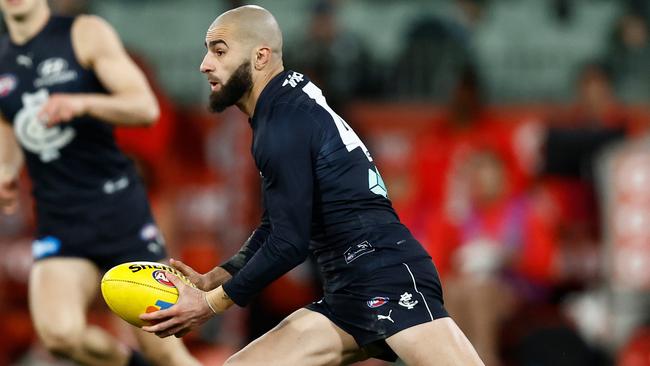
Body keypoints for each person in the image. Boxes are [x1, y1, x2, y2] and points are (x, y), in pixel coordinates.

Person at [141, 5, 484, 365]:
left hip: (385, 276)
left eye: (220, 50)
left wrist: (210, 305)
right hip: (347, 288)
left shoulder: (282, 123)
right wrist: (218, 276)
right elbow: (276, 224)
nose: (205, 64)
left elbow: (289, 243)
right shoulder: (284, 105)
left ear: (260, 56)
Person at [0, 0, 200, 365]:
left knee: (164, 349)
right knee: (59, 335)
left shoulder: (83, 34)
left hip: (117, 213)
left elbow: (145, 108)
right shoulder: (2, 58)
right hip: (59, 218)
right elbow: (9, 121)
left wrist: (82, 104)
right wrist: (5, 170)